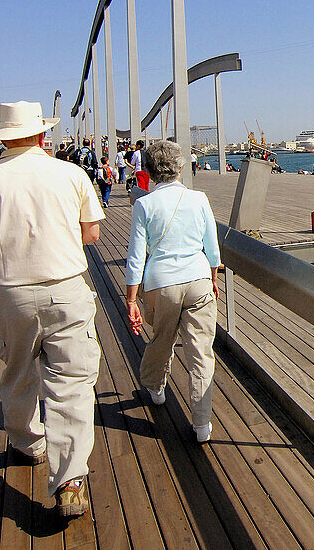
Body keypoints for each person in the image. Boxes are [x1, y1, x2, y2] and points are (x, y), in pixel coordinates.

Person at [0, 101, 105, 518]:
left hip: (11, 293)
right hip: (67, 290)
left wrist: (7, 257)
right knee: (71, 383)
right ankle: (70, 480)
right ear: (41, 134)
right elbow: (91, 234)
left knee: (17, 370)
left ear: (3, 137)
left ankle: (26, 443)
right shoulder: (72, 174)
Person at [125, 141, 221, 444]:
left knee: (161, 338)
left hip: (160, 283)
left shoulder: (144, 204)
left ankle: (155, 388)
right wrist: (213, 277)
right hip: (197, 279)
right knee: (201, 351)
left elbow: (136, 255)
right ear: (181, 167)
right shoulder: (198, 198)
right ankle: (202, 423)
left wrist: (131, 299)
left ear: (150, 172)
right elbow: (212, 247)